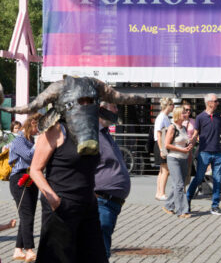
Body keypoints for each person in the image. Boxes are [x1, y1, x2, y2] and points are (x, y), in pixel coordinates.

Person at [30, 98, 108, 263]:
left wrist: (92, 195)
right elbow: (35, 170)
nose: (86, 106)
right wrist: (53, 199)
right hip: (61, 207)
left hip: (87, 206)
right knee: (58, 259)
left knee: (95, 257)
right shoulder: (56, 130)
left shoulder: (89, 131)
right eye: (82, 102)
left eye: (89, 102)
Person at [186, 93, 221, 215]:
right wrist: (191, 142)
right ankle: (186, 201)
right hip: (204, 152)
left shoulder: (218, 117)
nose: (218, 103)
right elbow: (195, 133)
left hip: (217, 152)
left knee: (217, 179)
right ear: (209, 103)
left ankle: (215, 206)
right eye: (216, 101)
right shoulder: (200, 117)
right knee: (198, 178)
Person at [94, 102, 131, 259]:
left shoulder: (105, 133)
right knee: (100, 252)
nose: (117, 110)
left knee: (102, 250)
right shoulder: (93, 134)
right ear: (102, 109)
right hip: (101, 201)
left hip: (111, 203)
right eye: (114, 107)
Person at [9, 114, 41, 262]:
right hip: (19, 179)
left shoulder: (30, 140)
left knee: (27, 215)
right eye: (37, 127)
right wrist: (38, 143)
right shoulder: (19, 140)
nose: (38, 131)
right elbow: (29, 156)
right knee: (26, 215)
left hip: (31, 178)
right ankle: (29, 249)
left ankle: (17, 249)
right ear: (31, 125)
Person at [162, 107, 193, 218]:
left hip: (184, 158)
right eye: (183, 113)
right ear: (178, 115)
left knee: (178, 184)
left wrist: (188, 146)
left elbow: (183, 141)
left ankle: (168, 205)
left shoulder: (183, 128)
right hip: (174, 158)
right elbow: (167, 144)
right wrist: (182, 150)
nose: (186, 114)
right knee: (179, 185)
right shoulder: (172, 127)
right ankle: (182, 211)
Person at [154, 97, 174, 201]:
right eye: (172, 105)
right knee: (165, 170)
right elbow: (158, 133)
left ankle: (158, 192)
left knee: (162, 170)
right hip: (160, 144)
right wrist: (162, 149)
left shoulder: (164, 116)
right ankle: (161, 193)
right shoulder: (162, 117)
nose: (173, 107)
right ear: (169, 105)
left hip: (160, 144)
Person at [182, 101, 196, 187]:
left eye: (190, 110)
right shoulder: (179, 120)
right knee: (181, 168)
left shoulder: (193, 121)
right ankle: (181, 188)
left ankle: (185, 186)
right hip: (180, 146)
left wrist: (193, 138)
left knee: (189, 168)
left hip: (190, 146)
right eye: (186, 110)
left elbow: (196, 133)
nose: (188, 112)